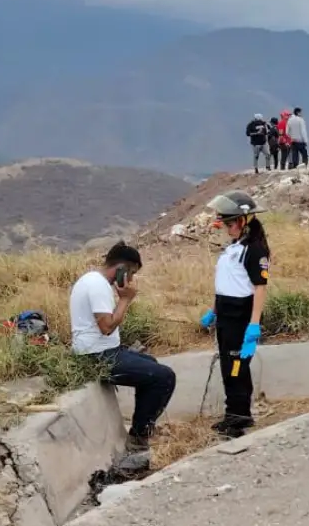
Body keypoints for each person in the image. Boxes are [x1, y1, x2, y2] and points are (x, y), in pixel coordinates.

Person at [69, 241, 177, 455]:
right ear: (121, 269)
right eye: (131, 273)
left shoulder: (93, 281)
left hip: (103, 351)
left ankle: (142, 423)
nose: (131, 279)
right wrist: (126, 299)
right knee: (164, 377)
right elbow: (107, 327)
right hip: (97, 356)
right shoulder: (97, 285)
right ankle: (138, 438)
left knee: (151, 365)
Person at [197, 191, 270, 439]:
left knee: (237, 367)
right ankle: (233, 414)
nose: (226, 228)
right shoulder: (234, 247)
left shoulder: (255, 250)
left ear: (243, 221)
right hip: (226, 314)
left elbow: (260, 287)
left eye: (229, 223)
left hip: (241, 317)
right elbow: (226, 283)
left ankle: (239, 418)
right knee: (229, 366)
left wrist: (254, 325)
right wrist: (213, 311)